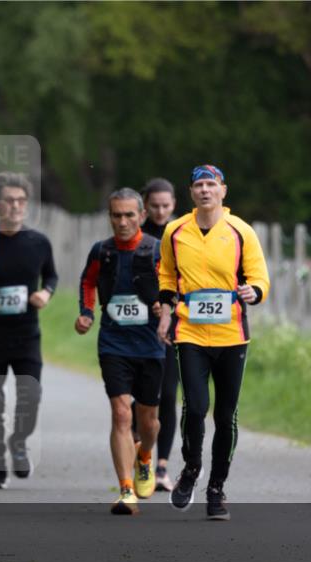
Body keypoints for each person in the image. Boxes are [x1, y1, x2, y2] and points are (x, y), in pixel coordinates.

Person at [157, 165, 270, 520]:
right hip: (190, 331)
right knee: (195, 405)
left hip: (232, 333)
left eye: (211, 184)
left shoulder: (241, 231)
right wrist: (165, 307)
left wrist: (255, 291)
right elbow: (166, 273)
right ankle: (191, 469)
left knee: (225, 415)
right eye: (199, 185)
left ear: (223, 190)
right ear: (191, 192)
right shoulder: (175, 231)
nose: (205, 190)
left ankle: (217, 488)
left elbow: (259, 276)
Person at [76, 188, 164, 515]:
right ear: (110, 216)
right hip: (113, 343)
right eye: (117, 215)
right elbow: (87, 282)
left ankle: (144, 456)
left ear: (142, 216)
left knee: (149, 420)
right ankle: (126, 489)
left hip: (151, 345)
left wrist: (164, 307)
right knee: (120, 413)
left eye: (130, 215)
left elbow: (174, 287)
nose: (123, 222)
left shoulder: (156, 251)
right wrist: (86, 313)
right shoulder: (102, 251)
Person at [0, 172, 58, 489]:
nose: (15, 206)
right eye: (9, 201)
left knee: (31, 395)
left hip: (26, 334)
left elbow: (51, 276)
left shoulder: (38, 242)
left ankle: (19, 441)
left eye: (21, 201)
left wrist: (46, 294)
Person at [140, 177, 180, 491]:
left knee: (168, 395)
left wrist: (171, 305)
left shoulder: (182, 236)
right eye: (154, 206)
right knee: (142, 398)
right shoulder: (134, 235)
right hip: (138, 328)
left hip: (171, 327)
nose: (160, 211)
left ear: (174, 205)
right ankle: (142, 456)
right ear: (145, 206)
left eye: (166, 206)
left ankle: (162, 466)